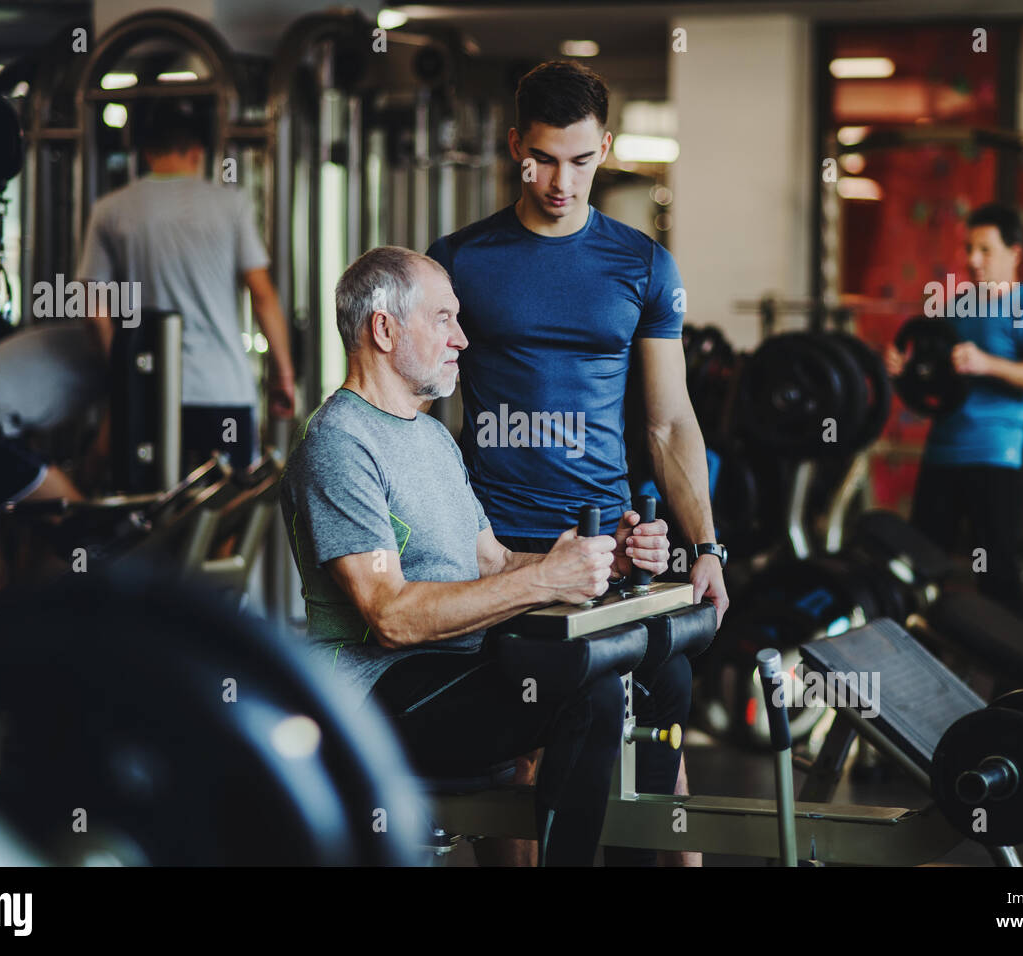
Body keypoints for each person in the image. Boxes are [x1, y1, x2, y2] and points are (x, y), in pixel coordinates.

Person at [279, 246, 672, 866]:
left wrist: (596, 560)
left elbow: (490, 561)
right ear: (384, 329)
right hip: (376, 696)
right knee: (587, 694)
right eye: (443, 320)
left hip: (454, 671)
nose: (462, 338)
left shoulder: (431, 435)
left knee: (635, 677)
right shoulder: (339, 444)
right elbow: (391, 617)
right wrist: (546, 580)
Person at [426, 59, 724, 865]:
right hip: (497, 553)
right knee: (520, 763)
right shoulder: (459, 260)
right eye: (546, 159)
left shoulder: (644, 266)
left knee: (661, 759)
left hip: (614, 549)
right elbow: (411, 412)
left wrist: (705, 546)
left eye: (583, 160)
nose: (564, 181)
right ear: (515, 145)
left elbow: (668, 421)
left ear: (607, 148)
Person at [76, 100, 296, 474]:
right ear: (197, 153)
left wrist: (125, 372)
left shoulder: (111, 208)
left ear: (146, 154)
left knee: (152, 510)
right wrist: (284, 376)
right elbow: (262, 295)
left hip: (150, 392)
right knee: (228, 512)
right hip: (222, 389)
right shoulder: (231, 204)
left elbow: (93, 308)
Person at [885, 203, 1023, 618]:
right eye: (969, 248)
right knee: (922, 569)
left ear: (1015, 252)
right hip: (942, 454)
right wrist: (904, 368)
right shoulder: (958, 307)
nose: (972, 259)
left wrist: (987, 363)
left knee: (996, 577)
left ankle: (1014, 680)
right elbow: (934, 374)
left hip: (993, 459)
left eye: (985, 249)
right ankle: (927, 670)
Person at [0, 319, 105, 586]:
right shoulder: (113, 350)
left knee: (37, 511)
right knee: (77, 518)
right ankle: (88, 607)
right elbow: (101, 451)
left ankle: (12, 598)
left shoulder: (67, 344)